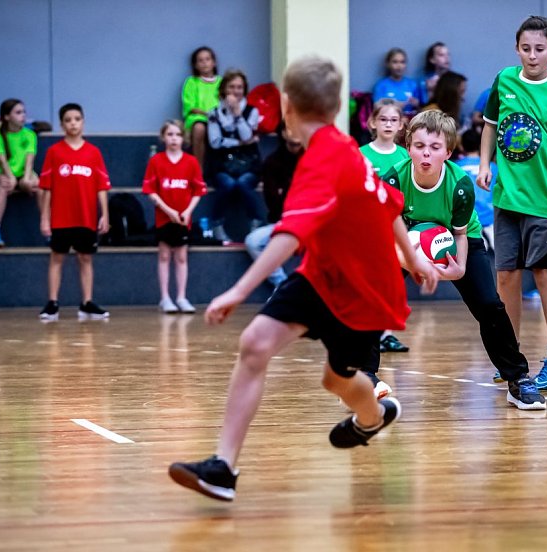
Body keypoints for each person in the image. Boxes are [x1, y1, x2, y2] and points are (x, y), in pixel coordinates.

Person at [168, 56, 439, 502]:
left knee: (337, 382)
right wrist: (415, 259)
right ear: (335, 109)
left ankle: (372, 417)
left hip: (363, 294)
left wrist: (238, 289)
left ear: (286, 106)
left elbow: (292, 233)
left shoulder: (328, 158)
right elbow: (389, 203)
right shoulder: (340, 148)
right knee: (255, 343)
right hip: (322, 277)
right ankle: (223, 468)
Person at [380, 110, 545, 410]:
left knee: (489, 305)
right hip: (404, 239)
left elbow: (460, 235)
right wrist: (412, 261)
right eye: (419, 146)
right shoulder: (393, 178)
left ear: (448, 152)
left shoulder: (460, 185)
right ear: (407, 147)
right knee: (373, 298)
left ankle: (518, 379)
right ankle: (363, 375)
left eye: (434, 147)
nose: (426, 154)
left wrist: (458, 269)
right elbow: (384, 231)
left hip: (459, 240)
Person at [477, 15, 547, 391]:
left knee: (543, 272)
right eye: (525, 48)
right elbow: (490, 125)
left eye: (540, 49)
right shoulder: (504, 80)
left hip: (546, 200)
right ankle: (511, 354)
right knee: (505, 275)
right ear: (516, 48)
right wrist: (485, 164)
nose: (532, 56)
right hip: (508, 197)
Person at [38, 103, 111, 321]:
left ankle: (87, 303)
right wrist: (45, 217)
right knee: (57, 258)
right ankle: (52, 303)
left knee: (85, 258)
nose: (73, 123)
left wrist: (104, 214)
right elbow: (47, 188)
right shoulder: (54, 152)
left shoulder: (93, 153)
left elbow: (102, 187)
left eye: (77, 119)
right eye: (68, 120)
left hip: (86, 217)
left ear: (83, 122)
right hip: (61, 217)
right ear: (62, 125)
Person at [359, 99, 412, 360]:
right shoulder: (361, 154)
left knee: (391, 283)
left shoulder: (405, 156)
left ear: (401, 125)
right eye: (383, 119)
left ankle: (385, 333)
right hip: (368, 229)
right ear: (372, 123)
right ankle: (368, 332)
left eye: (393, 120)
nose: (388, 124)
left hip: (396, 228)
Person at [142, 120, 206, 314]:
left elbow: (198, 191)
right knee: (164, 255)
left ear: (183, 138)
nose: (174, 139)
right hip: (164, 217)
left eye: (177, 135)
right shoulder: (156, 161)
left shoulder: (191, 162)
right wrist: (167, 210)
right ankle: (165, 297)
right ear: (163, 137)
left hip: (183, 218)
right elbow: (150, 191)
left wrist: (187, 211)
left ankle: (181, 296)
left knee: (181, 256)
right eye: (170, 134)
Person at [207, 69, 266, 242]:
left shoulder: (252, 111)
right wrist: (238, 143)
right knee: (228, 184)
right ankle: (217, 224)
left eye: (239, 87)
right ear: (224, 89)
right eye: (231, 87)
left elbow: (247, 135)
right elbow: (215, 142)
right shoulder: (214, 113)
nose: (235, 91)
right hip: (223, 163)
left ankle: (256, 220)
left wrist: (238, 115)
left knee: (242, 183)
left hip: (248, 163)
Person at [243, 121, 302, 291]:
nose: (294, 134)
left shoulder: (312, 158)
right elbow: (272, 200)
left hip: (312, 222)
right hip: (284, 222)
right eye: (289, 129)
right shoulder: (272, 162)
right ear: (282, 133)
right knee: (253, 241)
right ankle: (282, 284)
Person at [0, 99, 39, 247]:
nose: (23, 115)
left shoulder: (30, 135)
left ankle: (48, 229)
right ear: (6, 117)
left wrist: (27, 179)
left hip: (24, 172)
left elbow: (30, 159)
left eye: (24, 112)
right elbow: (2, 160)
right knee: (5, 184)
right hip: (4, 172)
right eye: (18, 112)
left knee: (40, 185)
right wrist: (12, 178)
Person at [454, 128, 495, 250]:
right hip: (491, 216)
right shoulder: (492, 167)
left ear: (461, 146)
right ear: (480, 145)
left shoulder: (456, 167)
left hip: (468, 219)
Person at [182, 46, 221, 170]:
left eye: (207, 59)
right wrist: (208, 114)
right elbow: (191, 106)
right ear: (195, 65)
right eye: (200, 60)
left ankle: (221, 169)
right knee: (199, 128)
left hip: (219, 117)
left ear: (214, 62)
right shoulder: (192, 82)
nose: (205, 63)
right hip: (198, 118)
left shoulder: (222, 82)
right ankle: (198, 169)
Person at [372, 48, 423, 117]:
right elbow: (376, 109)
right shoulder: (381, 85)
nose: (399, 66)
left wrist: (416, 104)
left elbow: (421, 109)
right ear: (388, 64)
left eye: (402, 62)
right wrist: (394, 106)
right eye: (395, 62)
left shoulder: (412, 84)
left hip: (410, 122)